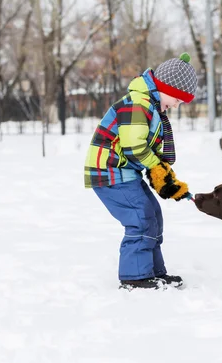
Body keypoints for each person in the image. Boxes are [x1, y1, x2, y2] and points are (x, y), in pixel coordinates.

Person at [84, 52, 197, 290]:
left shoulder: (150, 106)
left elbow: (146, 151)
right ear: (165, 87)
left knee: (152, 214)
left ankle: (153, 272)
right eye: (177, 98)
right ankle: (134, 277)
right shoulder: (138, 105)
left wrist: (163, 174)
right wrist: (155, 165)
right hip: (110, 173)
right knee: (141, 217)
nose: (176, 105)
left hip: (125, 173)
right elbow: (134, 147)